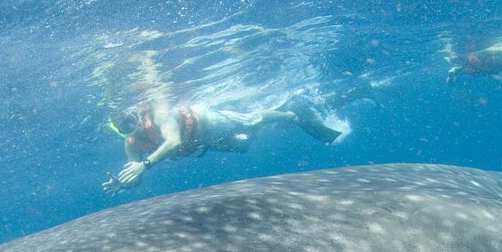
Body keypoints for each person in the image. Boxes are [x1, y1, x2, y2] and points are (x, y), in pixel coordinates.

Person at [104, 94, 342, 193]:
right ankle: (279, 114)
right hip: (203, 141)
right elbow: (134, 176)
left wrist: (144, 165)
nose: (130, 126)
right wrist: (124, 184)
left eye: (130, 119)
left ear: (136, 112)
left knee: (252, 121)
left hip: (210, 122)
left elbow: (174, 141)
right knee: (243, 145)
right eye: (123, 126)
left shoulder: (159, 114)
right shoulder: (132, 144)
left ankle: (289, 113)